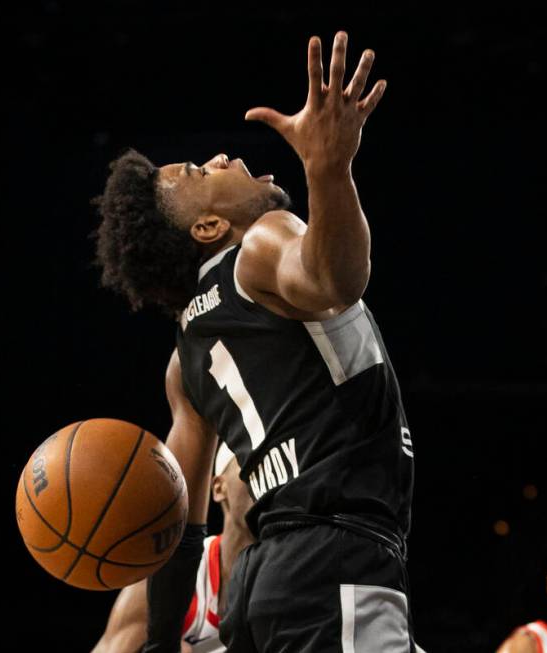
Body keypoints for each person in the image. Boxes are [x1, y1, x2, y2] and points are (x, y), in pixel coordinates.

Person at [94, 30, 416, 652]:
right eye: (197, 173)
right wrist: (330, 170)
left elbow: (176, 528)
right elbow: (333, 279)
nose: (219, 158)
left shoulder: (184, 362)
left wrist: (161, 643)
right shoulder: (261, 244)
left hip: (259, 589)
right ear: (210, 226)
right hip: (334, 561)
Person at [93, 444, 255, 653]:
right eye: (251, 467)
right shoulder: (163, 582)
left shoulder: (295, 570)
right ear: (218, 487)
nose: (265, 481)